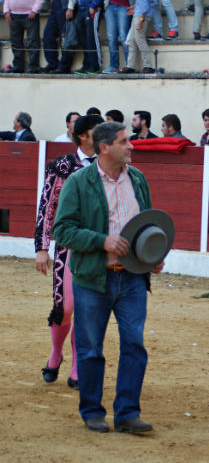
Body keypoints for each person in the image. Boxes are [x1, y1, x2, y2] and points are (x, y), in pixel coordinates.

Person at [52, 121, 159, 434]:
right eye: (124, 141)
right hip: (93, 279)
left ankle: (127, 413)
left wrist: (152, 254)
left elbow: (147, 225)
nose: (131, 146)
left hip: (133, 278)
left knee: (134, 346)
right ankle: (92, 411)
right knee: (90, 350)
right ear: (104, 148)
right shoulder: (78, 182)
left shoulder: (137, 179)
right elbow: (62, 230)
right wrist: (103, 241)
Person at [35, 114, 103, 390]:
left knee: (86, 311)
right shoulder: (61, 166)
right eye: (99, 131)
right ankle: (55, 354)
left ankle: (77, 366)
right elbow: (47, 206)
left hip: (98, 248)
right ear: (84, 135)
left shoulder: (108, 165)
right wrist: (42, 248)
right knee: (65, 308)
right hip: (67, 249)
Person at [3, 0, 46, 74]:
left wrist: (35, 10)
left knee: (33, 42)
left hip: (30, 15)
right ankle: (18, 66)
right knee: (16, 42)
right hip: (14, 15)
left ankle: (33, 67)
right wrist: (6, 11)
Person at [121, 0, 157, 74]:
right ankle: (130, 65)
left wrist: (141, 18)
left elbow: (144, 2)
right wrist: (136, 7)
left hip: (141, 15)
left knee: (139, 38)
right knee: (131, 39)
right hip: (143, 12)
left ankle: (148, 65)